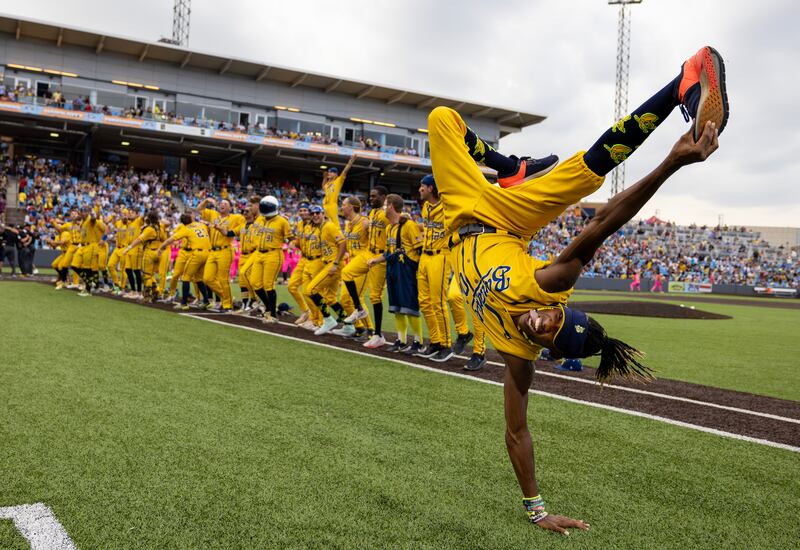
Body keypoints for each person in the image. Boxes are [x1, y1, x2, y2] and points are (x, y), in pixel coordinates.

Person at [427, 46, 727, 532]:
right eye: (554, 316)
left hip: (461, 215)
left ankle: (510, 172)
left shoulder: (517, 356)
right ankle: (681, 84)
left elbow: (517, 431)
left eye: (547, 332)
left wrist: (537, 509)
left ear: (546, 348)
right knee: (586, 171)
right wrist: (671, 163)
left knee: (440, 119)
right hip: (508, 220)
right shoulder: (550, 285)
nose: (542, 320)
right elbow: (605, 220)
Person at [367, 194, 424, 354]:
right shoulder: (389, 228)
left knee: (410, 306)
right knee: (397, 307)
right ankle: (401, 340)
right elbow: (388, 251)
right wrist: (375, 260)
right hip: (393, 269)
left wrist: (417, 270)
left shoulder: (409, 225)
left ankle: (419, 342)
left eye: (385, 205)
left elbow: (419, 248)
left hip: (407, 270)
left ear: (391, 206)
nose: (383, 208)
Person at [341, 186, 390, 348]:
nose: (371, 198)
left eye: (375, 196)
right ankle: (359, 309)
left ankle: (376, 333)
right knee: (346, 273)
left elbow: (401, 219)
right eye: (370, 196)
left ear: (384, 197)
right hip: (369, 253)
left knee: (375, 297)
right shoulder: (372, 213)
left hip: (381, 256)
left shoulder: (386, 213)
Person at [414, 175, 455, 362]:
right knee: (424, 301)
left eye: (423, 186)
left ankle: (447, 345)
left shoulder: (446, 206)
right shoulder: (425, 207)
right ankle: (436, 341)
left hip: (441, 255)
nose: (420, 189)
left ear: (431, 188)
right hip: (425, 255)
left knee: (437, 302)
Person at [332, 196, 374, 338]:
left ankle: (371, 330)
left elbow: (377, 234)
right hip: (352, 263)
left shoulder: (364, 222)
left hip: (364, 264)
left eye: (343, 205)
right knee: (344, 299)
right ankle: (359, 328)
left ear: (351, 207)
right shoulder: (349, 224)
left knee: (359, 298)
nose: (341, 207)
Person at [196, 198, 247, 313]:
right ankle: (228, 298)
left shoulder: (235, 217)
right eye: (221, 203)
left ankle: (227, 305)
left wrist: (233, 232)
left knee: (223, 279)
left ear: (230, 208)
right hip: (212, 251)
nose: (222, 205)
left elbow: (246, 222)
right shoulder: (213, 214)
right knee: (207, 278)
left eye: (225, 204)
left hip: (225, 250)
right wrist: (206, 201)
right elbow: (198, 209)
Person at [157, 213, 211, 310]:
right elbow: (208, 230)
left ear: (182, 222)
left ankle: (184, 303)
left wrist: (160, 247)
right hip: (207, 253)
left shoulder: (186, 229)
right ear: (191, 219)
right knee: (198, 278)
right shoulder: (201, 224)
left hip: (197, 253)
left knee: (185, 278)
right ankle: (206, 301)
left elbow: (170, 239)